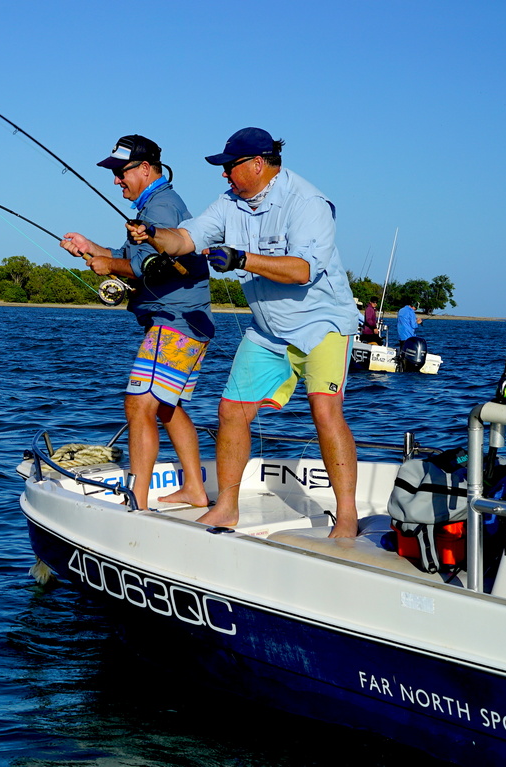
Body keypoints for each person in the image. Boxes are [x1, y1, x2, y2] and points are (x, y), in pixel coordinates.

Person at [129, 127, 360, 537]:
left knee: (324, 410)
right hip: (268, 329)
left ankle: (345, 519)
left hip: (323, 325)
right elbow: (186, 237)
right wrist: (154, 236)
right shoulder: (230, 202)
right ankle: (227, 509)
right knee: (231, 411)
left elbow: (303, 270)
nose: (223, 175)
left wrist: (241, 258)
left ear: (257, 164)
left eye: (229, 167)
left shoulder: (308, 203)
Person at [59, 134, 214, 511]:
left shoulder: (159, 208)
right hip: (184, 321)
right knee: (164, 406)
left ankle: (138, 503)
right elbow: (136, 258)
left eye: (120, 172)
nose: (115, 181)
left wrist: (108, 265)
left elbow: (146, 268)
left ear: (145, 169)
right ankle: (194, 488)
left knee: (138, 406)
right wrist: (92, 249)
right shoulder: (157, 205)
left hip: (174, 320)